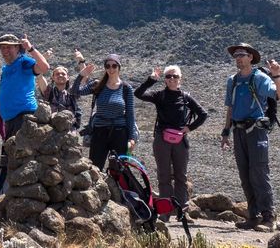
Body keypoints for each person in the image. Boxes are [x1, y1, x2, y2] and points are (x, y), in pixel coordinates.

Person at [220, 43, 280, 231]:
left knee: (259, 173)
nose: (238, 57)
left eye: (242, 54)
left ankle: (269, 218)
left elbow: (278, 94)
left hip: (256, 131)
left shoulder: (260, 78)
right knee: (245, 175)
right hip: (238, 131)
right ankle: (253, 216)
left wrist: (277, 75)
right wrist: (225, 131)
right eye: (236, 55)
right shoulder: (233, 80)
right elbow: (230, 107)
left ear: (251, 58)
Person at [135, 65, 207, 212]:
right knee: (164, 175)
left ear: (180, 79)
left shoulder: (186, 97)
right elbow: (138, 93)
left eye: (175, 76)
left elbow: (203, 114)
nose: (172, 79)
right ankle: (165, 210)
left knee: (181, 175)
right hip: (162, 138)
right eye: (168, 76)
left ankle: (182, 211)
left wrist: (189, 128)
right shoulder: (159, 95)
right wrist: (151, 79)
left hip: (180, 140)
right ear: (165, 80)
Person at [0, 33, 50, 196]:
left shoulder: (24, 62)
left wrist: (30, 48)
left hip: (23, 117)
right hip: (10, 120)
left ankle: (9, 194)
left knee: (18, 157)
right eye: (2, 48)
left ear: (18, 48)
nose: (5, 51)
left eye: (8, 47)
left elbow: (44, 67)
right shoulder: (6, 68)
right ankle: (2, 193)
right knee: (8, 157)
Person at [72, 53, 137, 170]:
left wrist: (131, 138)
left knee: (120, 169)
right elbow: (75, 91)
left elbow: (130, 114)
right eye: (108, 66)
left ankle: (119, 189)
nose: (111, 69)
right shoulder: (98, 85)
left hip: (119, 133)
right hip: (99, 132)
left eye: (114, 65)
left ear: (119, 67)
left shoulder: (126, 88)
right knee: (95, 168)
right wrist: (81, 75)